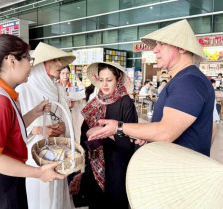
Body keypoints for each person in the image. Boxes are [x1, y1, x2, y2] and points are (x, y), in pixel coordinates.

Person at [88, 19, 215, 157]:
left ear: (181, 48)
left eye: (162, 43)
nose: (155, 49)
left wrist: (118, 127)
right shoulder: (183, 79)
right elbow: (164, 129)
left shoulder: (189, 81)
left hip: (182, 172)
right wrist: (147, 134)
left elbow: (165, 133)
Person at [0, 34, 64, 209]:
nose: (30, 66)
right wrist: (39, 173)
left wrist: (34, 113)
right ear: (12, 61)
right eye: (28, 59)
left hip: (3, 179)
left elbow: (8, 129)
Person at [16, 42, 75, 209]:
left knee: (58, 191)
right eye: (54, 60)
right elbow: (14, 128)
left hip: (58, 152)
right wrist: (37, 129)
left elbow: (66, 117)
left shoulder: (58, 89)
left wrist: (63, 126)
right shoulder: (24, 90)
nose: (59, 65)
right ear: (42, 64)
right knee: (40, 195)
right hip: (37, 155)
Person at [79, 62, 138, 209]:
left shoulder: (126, 102)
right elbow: (83, 134)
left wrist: (108, 132)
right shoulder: (95, 102)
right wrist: (89, 132)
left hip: (117, 167)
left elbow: (130, 142)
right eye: (101, 79)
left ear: (118, 80)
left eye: (109, 80)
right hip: (95, 167)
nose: (104, 84)